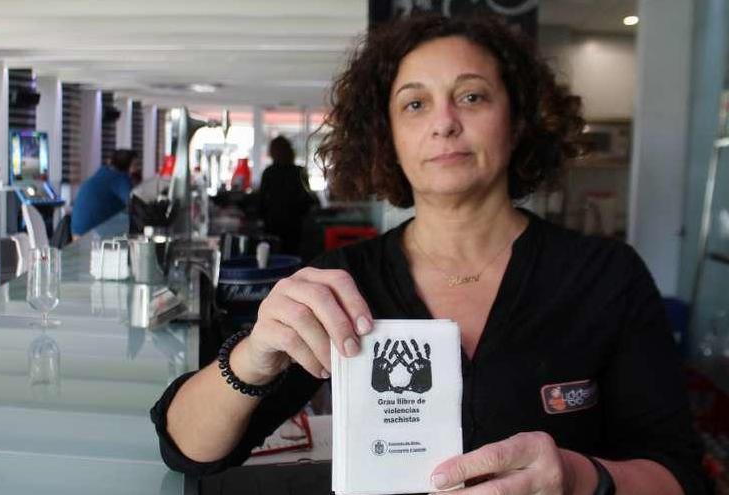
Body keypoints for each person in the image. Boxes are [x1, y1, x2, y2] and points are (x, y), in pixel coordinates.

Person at [151, 14, 708, 494]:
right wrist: (254, 354)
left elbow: (679, 475)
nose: (444, 122)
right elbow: (189, 449)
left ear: (516, 123)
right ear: (386, 137)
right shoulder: (341, 282)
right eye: (414, 104)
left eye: (471, 96)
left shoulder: (604, 276)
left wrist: (581, 478)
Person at [257, 135, 318, 255]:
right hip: (293, 225)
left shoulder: (269, 173)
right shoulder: (299, 172)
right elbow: (308, 200)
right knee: (291, 258)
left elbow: (261, 201)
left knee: (274, 258)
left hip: (275, 224)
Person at [70, 149, 140, 237]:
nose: (138, 168)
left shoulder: (103, 172)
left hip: (76, 234)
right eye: (135, 165)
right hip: (92, 237)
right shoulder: (119, 178)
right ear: (126, 165)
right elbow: (135, 204)